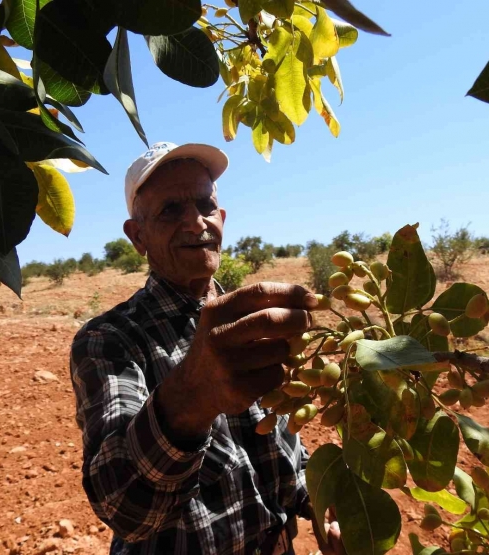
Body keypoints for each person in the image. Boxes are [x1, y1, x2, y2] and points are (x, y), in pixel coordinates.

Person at [70, 142, 343, 555]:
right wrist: (192, 396)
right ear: (137, 236)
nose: (196, 222)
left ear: (223, 219)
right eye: (170, 210)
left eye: (205, 206)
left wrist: (323, 507)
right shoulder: (109, 340)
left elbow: (284, 452)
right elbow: (124, 507)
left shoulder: (251, 319)